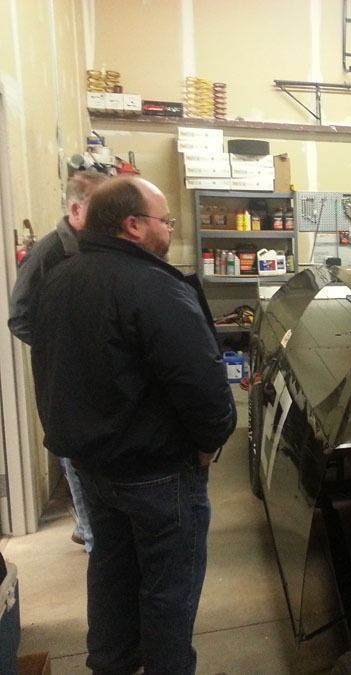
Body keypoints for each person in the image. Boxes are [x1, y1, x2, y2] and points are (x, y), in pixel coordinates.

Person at [29, 176, 236, 674]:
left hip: (93, 468)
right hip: (158, 474)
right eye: (165, 220)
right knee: (169, 593)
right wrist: (212, 440)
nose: (170, 229)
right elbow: (201, 380)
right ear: (134, 225)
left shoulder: (60, 278)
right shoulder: (155, 287)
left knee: (111, 576)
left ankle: (110, 664)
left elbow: (49, 368)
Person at [8, 170, 108, 553]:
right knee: (77, 465)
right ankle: (94, 543)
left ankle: (87, 527)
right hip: (65, 386)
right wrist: (63, 349)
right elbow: (19, 317)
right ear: (76, 209)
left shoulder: (96, 246)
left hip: (96, 383)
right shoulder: (49, 253)